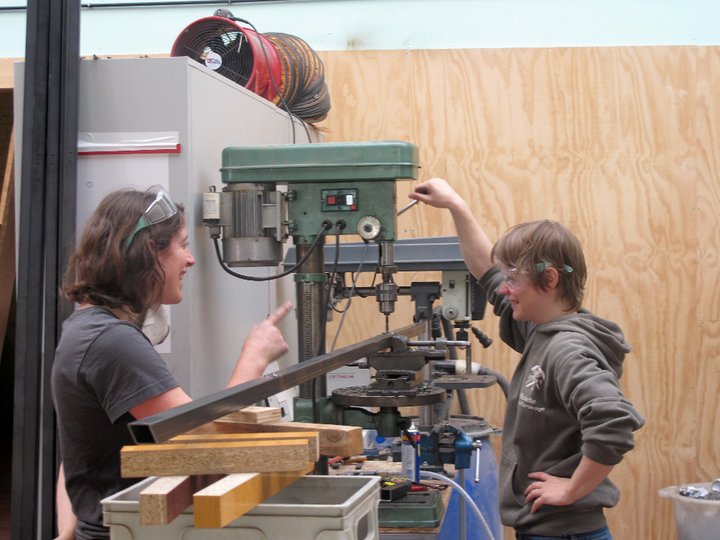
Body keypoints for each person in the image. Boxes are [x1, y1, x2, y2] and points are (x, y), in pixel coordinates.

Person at [51, 186, 292, 540]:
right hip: (126, 532)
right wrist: (253, 358)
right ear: (149, 251)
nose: (191, 259)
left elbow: (77, 450)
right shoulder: (111, 341)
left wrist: (68, 531)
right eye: (182, 244)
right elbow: (203, 446)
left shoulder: (84, 328)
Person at [409, 178, 644, 540]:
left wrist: (571, 489)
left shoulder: (566, 350)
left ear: (549, 280)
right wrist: (457, 207)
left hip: (563, 533)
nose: (505, 289)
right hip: (545, 528)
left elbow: (614, 423)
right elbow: (486, 274)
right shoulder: (540, 330)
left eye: (514, 279)